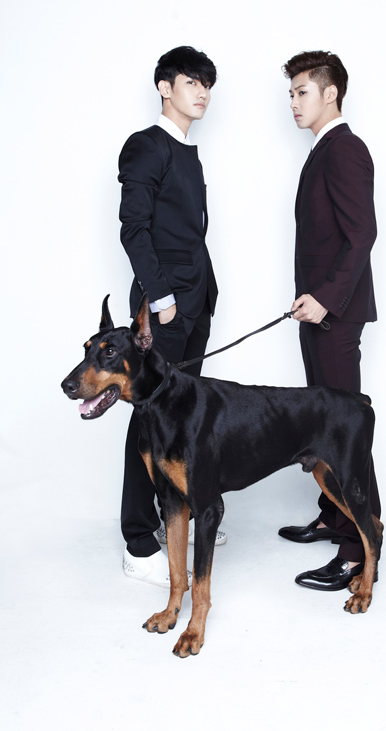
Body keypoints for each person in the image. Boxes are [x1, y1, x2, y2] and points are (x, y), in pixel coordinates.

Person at [118, 45, 225, 588]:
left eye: (207, 85)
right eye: (191, 82)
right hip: (164, 308)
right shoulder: (146, 145)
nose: (202, 92)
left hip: (195, 303)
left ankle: (182, 511)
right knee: (149, 418)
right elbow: (133, 229)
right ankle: (139, 538)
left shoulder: (189, 152)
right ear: (165, 87)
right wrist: (159, 298)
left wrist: (197, 296)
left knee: (185, 415)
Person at [279, 50, 381, 591]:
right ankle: (333, 516)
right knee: (323, 427)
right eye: (291, 93)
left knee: (344, 433)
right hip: (317, 312)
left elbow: (362, 235)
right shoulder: (323, 149)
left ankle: (358, 549)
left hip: (334, 316)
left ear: (330, 93)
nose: (293, 102)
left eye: (301, 92)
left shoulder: (345, 149)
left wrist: (325, 298)